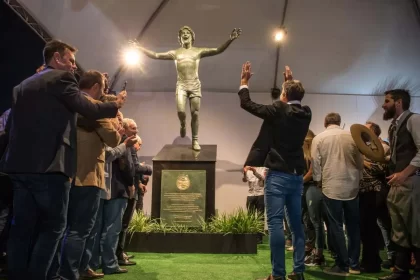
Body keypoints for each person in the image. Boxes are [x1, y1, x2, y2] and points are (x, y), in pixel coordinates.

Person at [0, 39, 126, 279]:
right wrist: (115, 105)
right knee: (54, 227)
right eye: (70, 60)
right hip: (51, 167)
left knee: (22, 228)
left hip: (18, 167)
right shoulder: (61, 79)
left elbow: (12, 128)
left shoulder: (21, 87)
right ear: (57, 58)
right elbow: (87, 108)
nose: (74, 67)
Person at [239, 62, 311, 280]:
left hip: (277, 177)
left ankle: (278, 275)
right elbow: (292, 101)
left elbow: (248, 104)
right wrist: (288, 82)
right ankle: (298, 272)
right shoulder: (306, 113)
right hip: (297, 176)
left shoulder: (279, 110)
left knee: (275, 225)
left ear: (285, 94)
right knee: (296, 225)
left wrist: (244, 82)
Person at [132, 26, 241, 151]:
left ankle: (195, 140)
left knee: (195, 114)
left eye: (187, 32)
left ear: (192, 36)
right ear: (180, 38)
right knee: (181, 111)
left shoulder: (198, 51)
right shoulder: (175, 53)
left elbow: (217, 50)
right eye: (182, 33)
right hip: (181, 85)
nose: (185, 34)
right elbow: (156, 55)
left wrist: (230, 40)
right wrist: (140, 48)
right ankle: (183, 124)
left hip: (194, 84)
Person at [379, 89, 420, 280]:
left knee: (415, 228)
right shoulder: (394, 126)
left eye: (387, 101)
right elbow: (397, 154)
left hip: (409, 182)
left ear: (398, 102)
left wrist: (404, 174)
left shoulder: (413, 119)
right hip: (397, 184)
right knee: (399, 229)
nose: (383, 105)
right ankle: (401, 271)